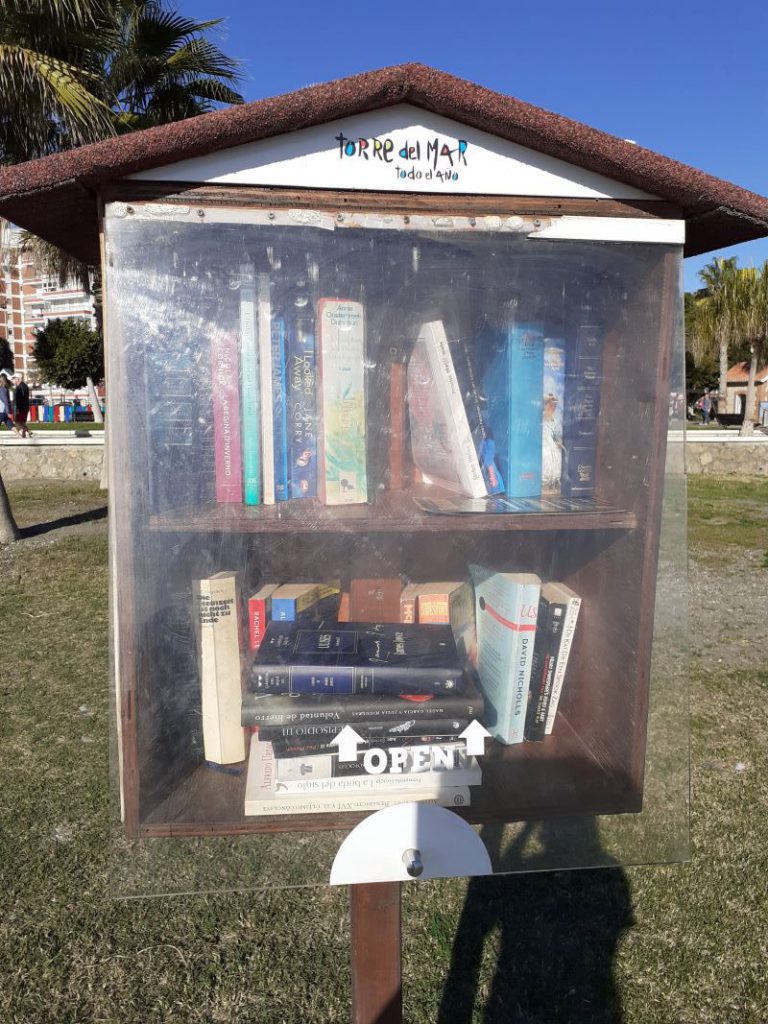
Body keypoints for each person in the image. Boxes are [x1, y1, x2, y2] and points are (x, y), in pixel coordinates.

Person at [11, 371, 31, 438]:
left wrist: (17, 409)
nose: (12, 380)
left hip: (21, 408)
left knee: (17, 422)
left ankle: (29, 432)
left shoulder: (20, 387)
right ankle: (24, 433)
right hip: (24, 407)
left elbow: (20, 399)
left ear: (18, 379)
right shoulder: (23, 386)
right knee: (22, 421)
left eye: (14, 378)